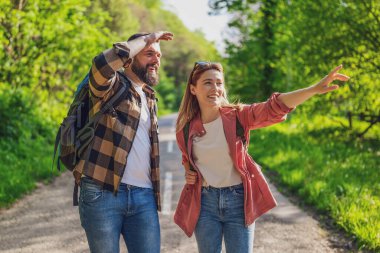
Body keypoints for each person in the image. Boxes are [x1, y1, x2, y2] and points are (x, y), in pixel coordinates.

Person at [174, 62, 349, 253]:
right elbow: (188, 158)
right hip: (205, 204)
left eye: (219, 83)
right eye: (208, 83)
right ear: (193, 89)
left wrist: (313, 89)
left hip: (238, 202)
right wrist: (188, 171)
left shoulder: (238, 116)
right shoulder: (185, 130)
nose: (215, 88)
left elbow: (274, 107)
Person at [73, 31, 173, 253]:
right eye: (149, 53)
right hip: (101, 192)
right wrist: (149, 37)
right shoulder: (110, 87)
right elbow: (101, 64)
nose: (156, 60)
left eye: (158, 55)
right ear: (130, 57)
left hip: (144, 196)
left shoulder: (149, 96)